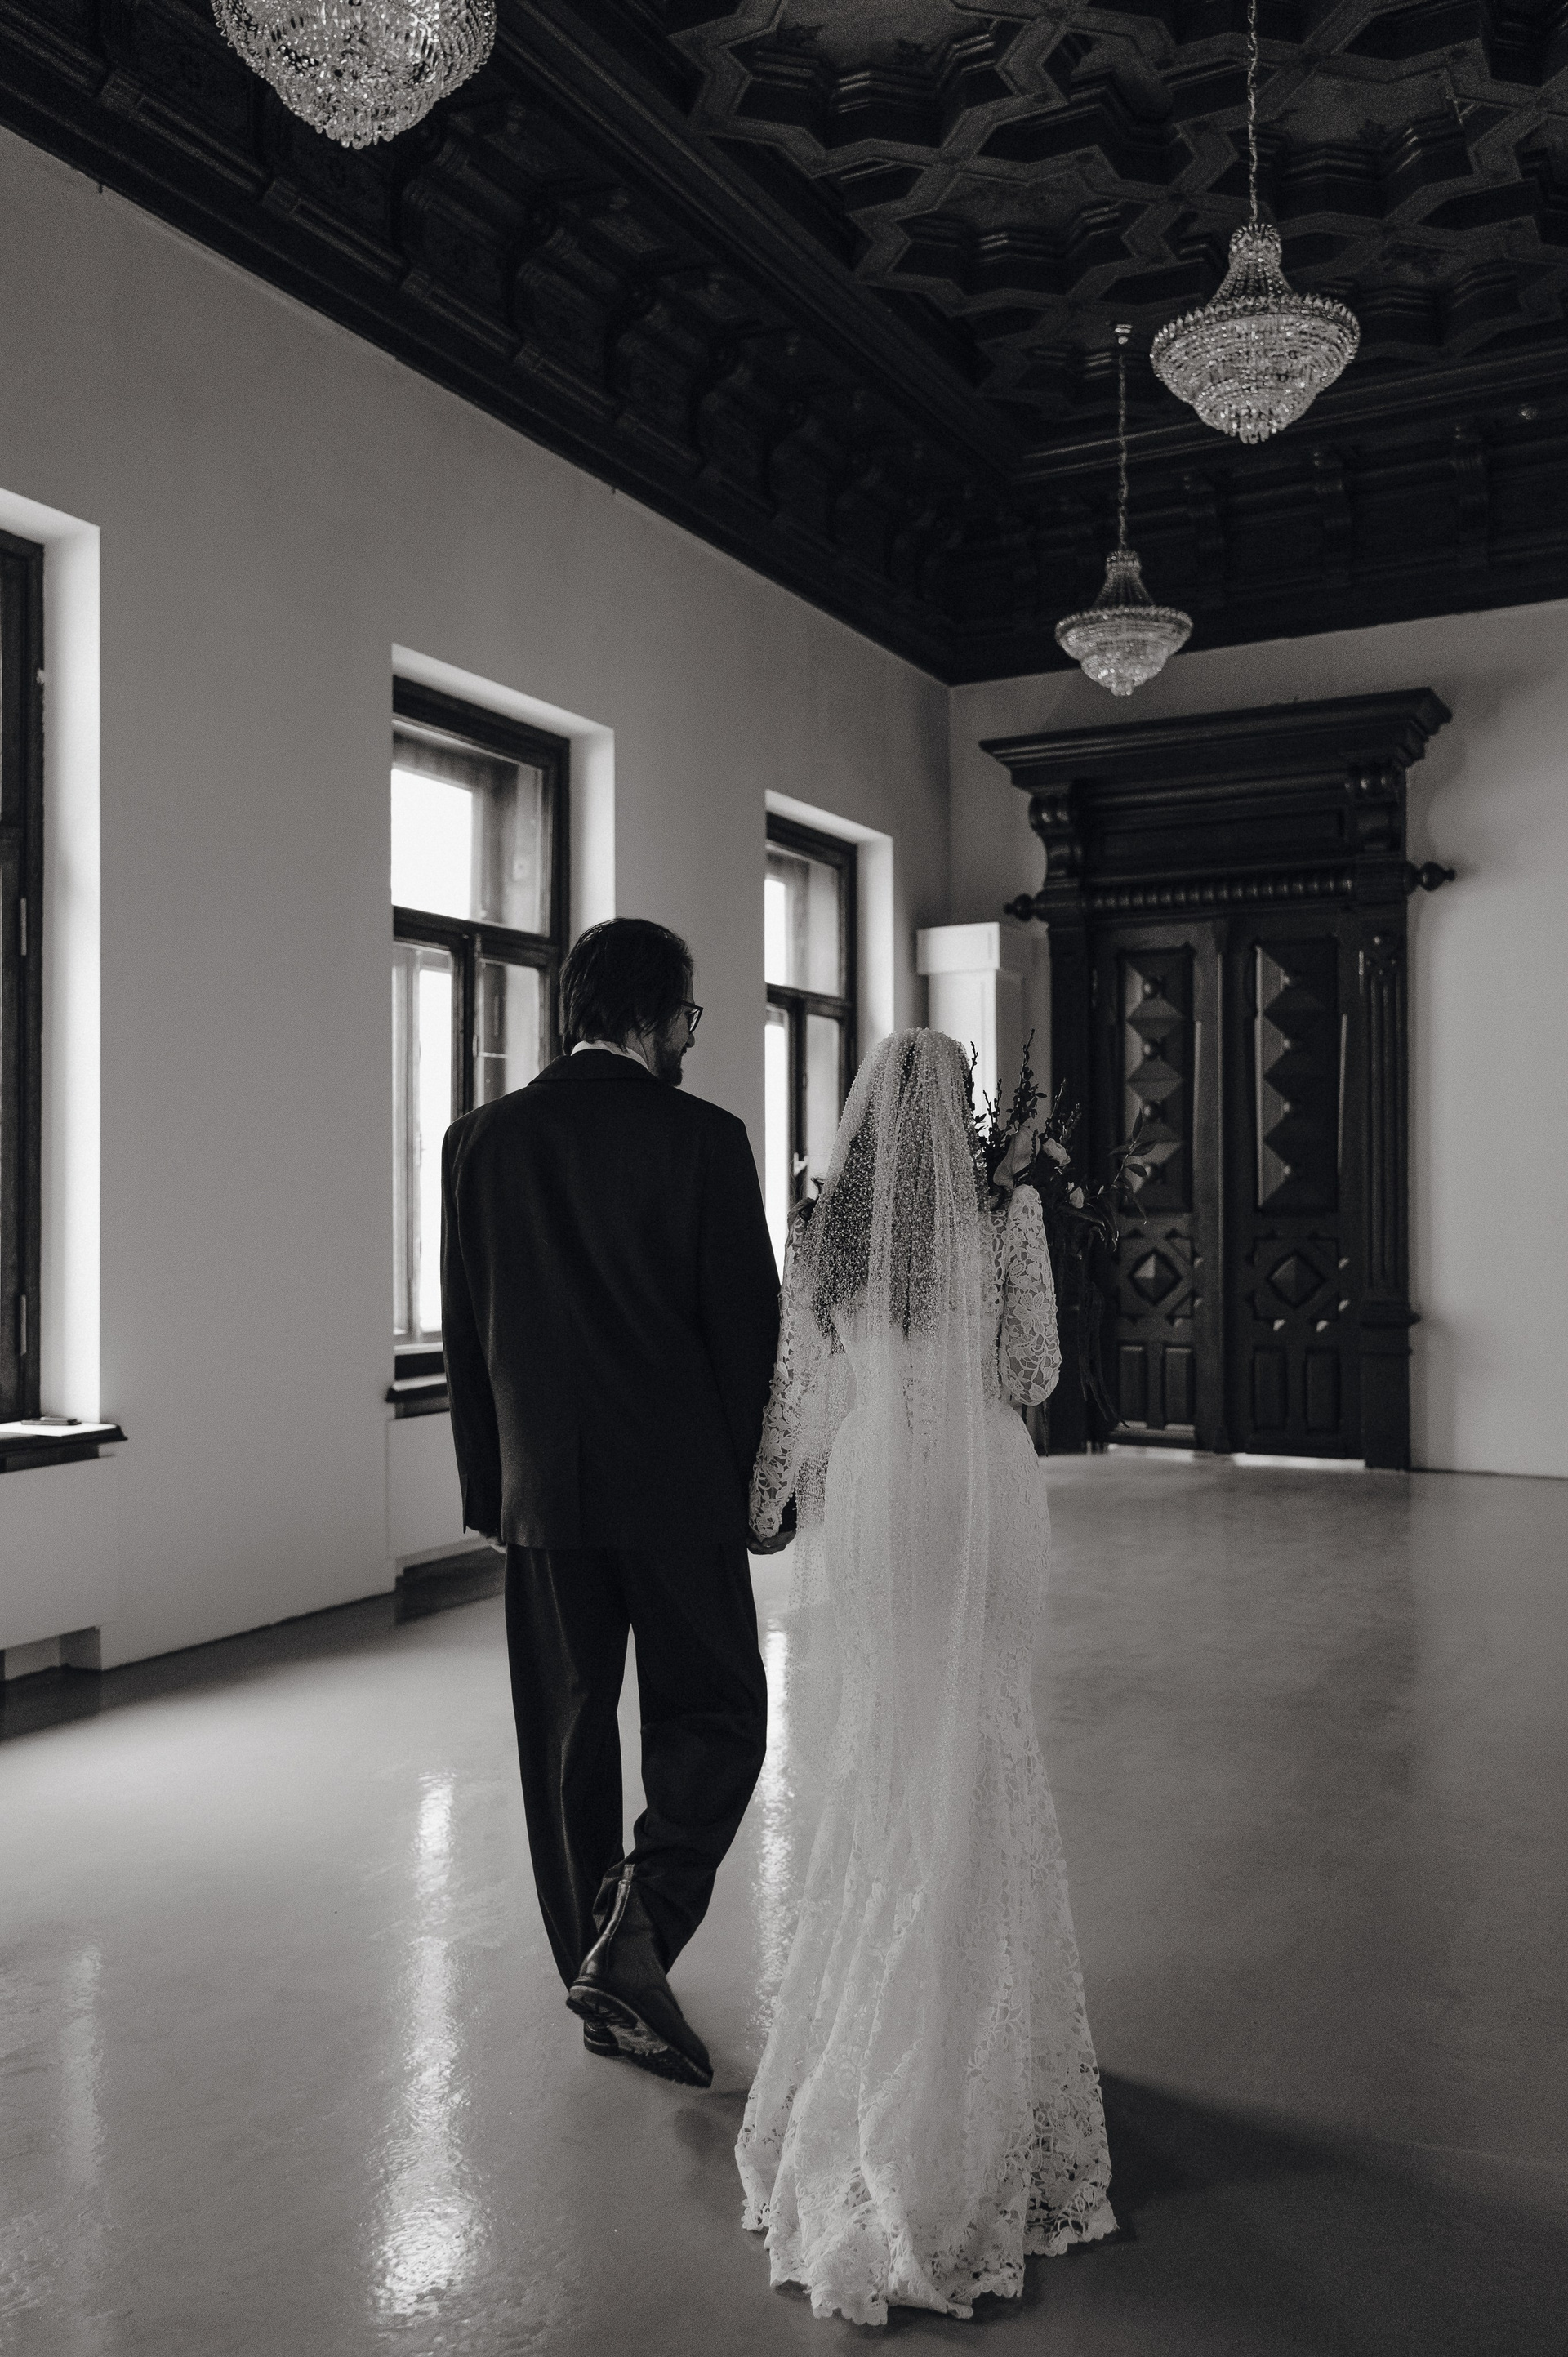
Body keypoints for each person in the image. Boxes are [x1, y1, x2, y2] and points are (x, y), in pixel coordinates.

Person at [737, 1028, 1115, 2324]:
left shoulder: (823, 1229)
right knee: (982, 1732)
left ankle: (875, 2031)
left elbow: (800, 1386)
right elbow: (1034, 1372)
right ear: (961, 1117)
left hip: (877, 1498)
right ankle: (975, 2037)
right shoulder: (1005, 1217)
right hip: (977, 1492)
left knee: (886, 1745)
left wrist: (767, 1501)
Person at [441, 916, 780, 2088]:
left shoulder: (479, 1141)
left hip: (543, 1494)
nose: (691, 1038)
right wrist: (768, 1485)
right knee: (719, 1712)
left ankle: (596, 1978)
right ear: (652, 1013)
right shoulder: (706, 1140)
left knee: (565, 1738)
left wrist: (491, 1492)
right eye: (689, 1016)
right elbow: (747, 1338)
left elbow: (468, 1333)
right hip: (681, 1491)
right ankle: (637, 1933)